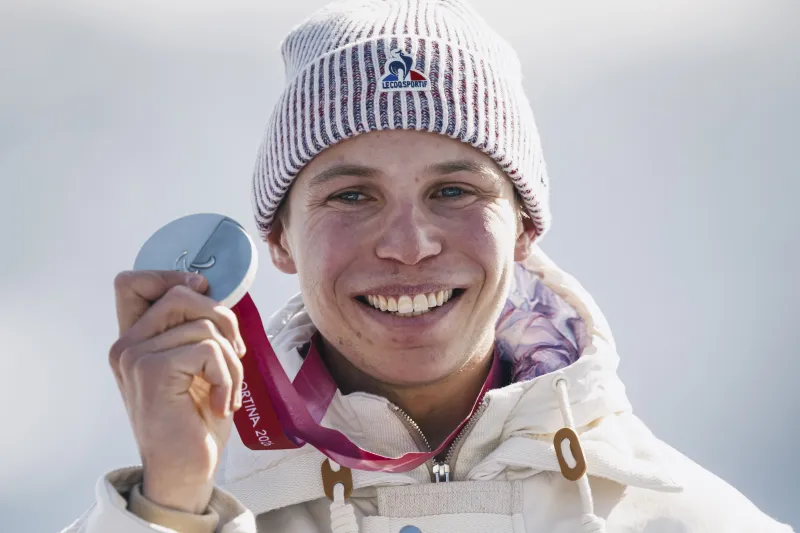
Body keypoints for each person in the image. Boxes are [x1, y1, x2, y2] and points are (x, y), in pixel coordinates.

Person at [63, 1, 794, 532]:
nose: (408, 244)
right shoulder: (181, 503)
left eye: (453, 190)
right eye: (352, 194)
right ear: (280, 240)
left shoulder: (689, 519)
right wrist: (174, 504)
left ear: (524, 230)